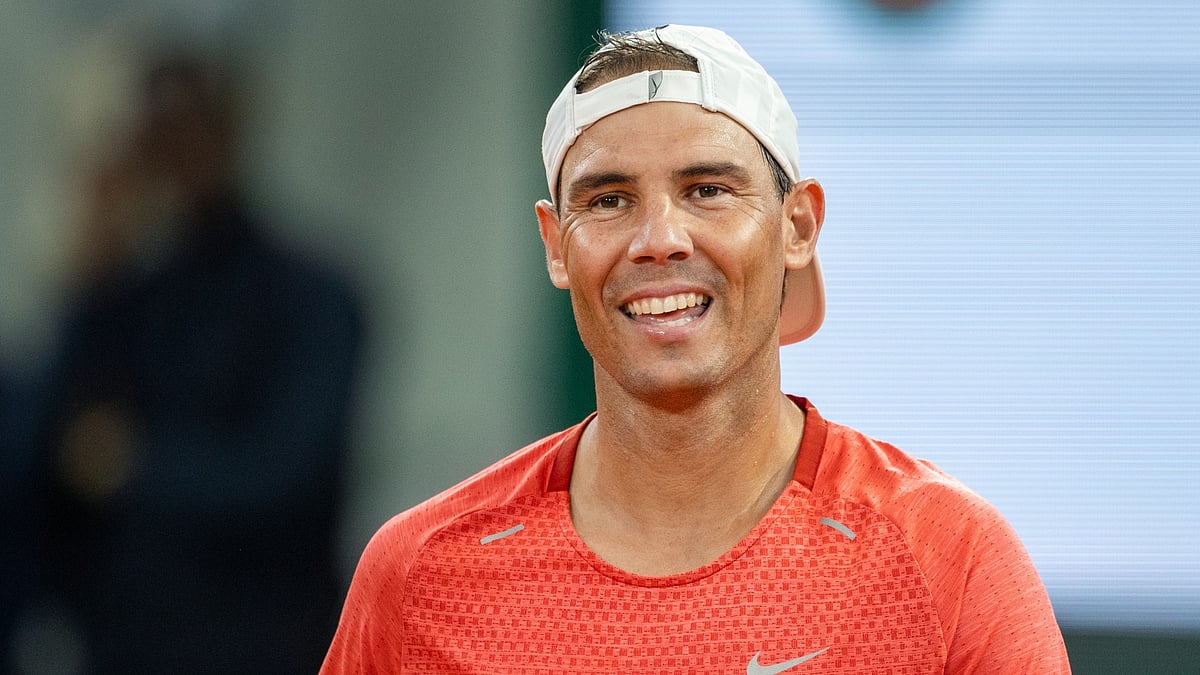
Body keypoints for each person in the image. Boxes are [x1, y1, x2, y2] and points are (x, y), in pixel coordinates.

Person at [321, 25, 1069, 673]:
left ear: (798, 227)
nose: (659, 240)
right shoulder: (422, 572)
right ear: (555, 245)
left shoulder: (947, 555)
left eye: (707, 189)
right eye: (609, 200)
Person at [26, 47, 363, 674]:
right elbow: (47, 454)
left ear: (230, 123)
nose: (175, 143)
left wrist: (131, 467)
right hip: (123, 646)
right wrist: (87, 275)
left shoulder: (312, 295)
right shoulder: (125, 298)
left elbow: (289, 474)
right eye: (157, 123)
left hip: (264, 642)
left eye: (191, 116)